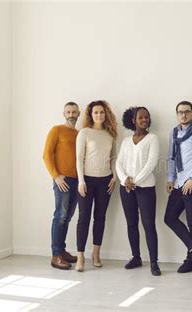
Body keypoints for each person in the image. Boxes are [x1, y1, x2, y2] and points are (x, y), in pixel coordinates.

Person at [164, 101, 192, 273]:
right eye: (180, 112)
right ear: (177, 115)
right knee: (169, 217)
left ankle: (190, 261)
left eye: (187, 112)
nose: (183, 115)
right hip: (179, 182)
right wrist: (170, 179)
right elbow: (171, 157)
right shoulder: (174, 132)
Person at [116, 106, 161, 276]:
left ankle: (154, 263)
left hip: (146, 188)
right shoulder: (126, 141)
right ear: (133, 120)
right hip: (126, 188)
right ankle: (136, 257)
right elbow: (119, 163)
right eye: (141, 117)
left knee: (149, 225)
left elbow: (151, 164)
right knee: (131, 224)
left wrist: (134, 181)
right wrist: (124, 180)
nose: (144, 120)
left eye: (147, 117)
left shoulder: (153, 139)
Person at [75, 100, 118, 272]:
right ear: (90, 115)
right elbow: (78, 158)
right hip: (87, 180)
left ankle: (96, 253)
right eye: (95, 112)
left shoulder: (110, 135)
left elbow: (114, 158)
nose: (99, 115)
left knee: (100, 218)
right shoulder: (84, 133)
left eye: (101, 112)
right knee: (83, 219)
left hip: (105, 181)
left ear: (105, 113)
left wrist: (114, 177)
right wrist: (81, 181)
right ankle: (80, 257)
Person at [42, 102, 80, 270]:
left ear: (78, 114)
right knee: (60, 216)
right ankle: (56, 255)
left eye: (74, 112)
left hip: (77, 180)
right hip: (62, 181)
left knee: (68, 216)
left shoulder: (80, 134)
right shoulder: (56, 130)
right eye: (68, 112)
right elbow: (46, 155)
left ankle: (62, 251)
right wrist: (56, 176)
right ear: (64, 114)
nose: (71, 114)